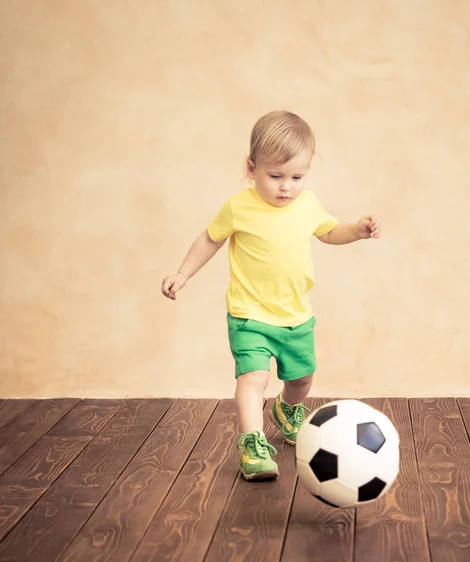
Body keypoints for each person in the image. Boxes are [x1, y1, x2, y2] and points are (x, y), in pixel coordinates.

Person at [162, 111, 381, 481]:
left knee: (302, 379)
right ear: (251, 168)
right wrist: (182, 273)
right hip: (250, 315)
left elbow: (329, 233)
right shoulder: (239, 207)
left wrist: (356, 231)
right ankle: (253, 444)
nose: (286, 187)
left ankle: (286, 410)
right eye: (275, 176)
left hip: (295, 315)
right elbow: (210, 239)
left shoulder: (307, 204)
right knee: (253, 378)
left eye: (297, 177)